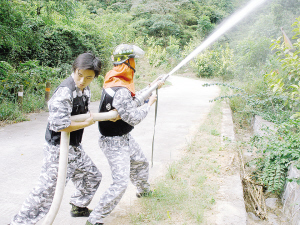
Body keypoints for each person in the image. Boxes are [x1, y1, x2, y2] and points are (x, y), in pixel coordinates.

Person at [11, 53, 103, 225]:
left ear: (94, 77)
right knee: (45, 193)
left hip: (74, 147)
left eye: (89, 77)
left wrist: (89, 118)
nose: (82, 80)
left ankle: (78, 206)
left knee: (92, 176)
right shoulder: (64, 92)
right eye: (79, 74)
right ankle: (20, 222)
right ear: (74, 70)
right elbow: (59, 126)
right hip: (58, 149)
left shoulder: (85, 90)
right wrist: (87, 123)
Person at [86, 44, 164, 225]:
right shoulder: (120, 89)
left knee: (140, 161)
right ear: (127, 62)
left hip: (123, 138)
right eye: (133, 61)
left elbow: (131, 102)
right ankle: (95, 219)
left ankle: (143, 191)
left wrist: (151, 87)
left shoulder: (114, 81)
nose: (134, 65)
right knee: (120, 183)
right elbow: (134, 117)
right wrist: (149, 103)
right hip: (114, 142)